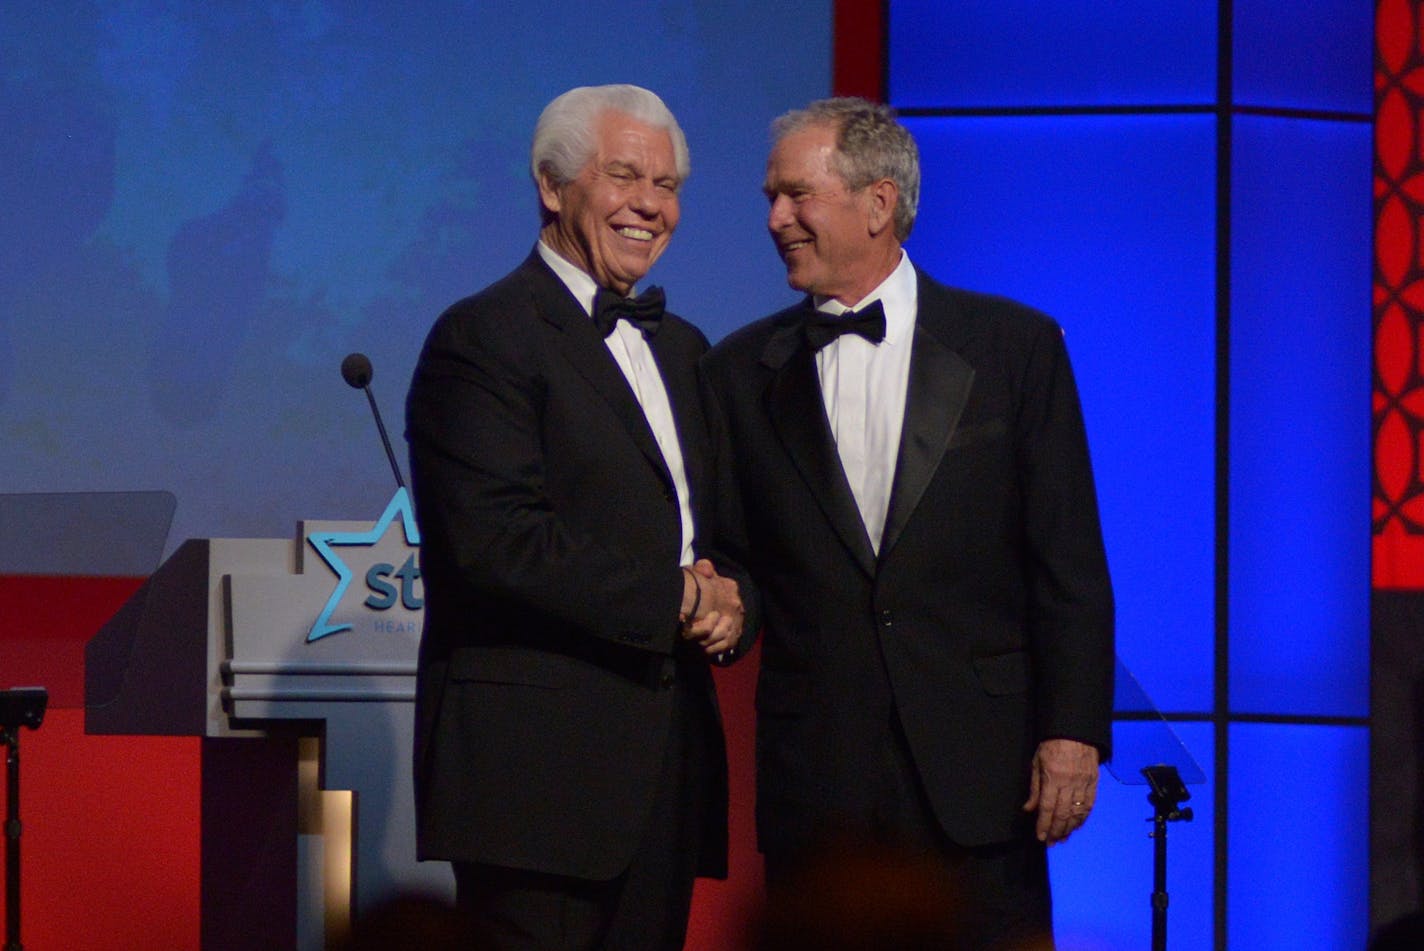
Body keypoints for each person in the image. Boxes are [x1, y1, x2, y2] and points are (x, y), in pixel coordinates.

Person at [701, 97, 1114, 948]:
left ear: (879, 204)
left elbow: (1067, 557)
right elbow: (736, 556)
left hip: (983, 777)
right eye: (770, 199)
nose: (776, 219)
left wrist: (1072, 730)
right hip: (820, 779)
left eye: (794, 196)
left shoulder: (1014, 347)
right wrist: (721, 602)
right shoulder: (739, 371)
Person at [405, 83, 754, 951]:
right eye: (624, 175)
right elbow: (497, 542)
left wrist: (734, 601)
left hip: (663, 777)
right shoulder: (483, 335)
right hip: (535, 785)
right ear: (552, 186)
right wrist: (676, 597)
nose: (650, 204)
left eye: (667, 184)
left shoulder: (686, 350)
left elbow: (719, 539)